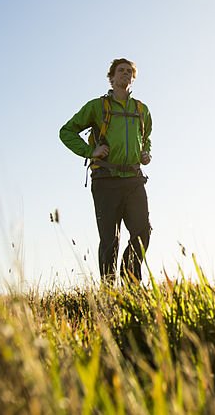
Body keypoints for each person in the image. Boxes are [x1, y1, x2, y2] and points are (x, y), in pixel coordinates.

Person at [61, 58, 153, 284]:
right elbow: (67, 132)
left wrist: (145, 153)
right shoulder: (97, 107)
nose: (125, 74)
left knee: (143, 231)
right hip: (105, 179)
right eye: (120, 71)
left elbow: (146, 138)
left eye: (129, 71)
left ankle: (130, 280)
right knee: (110, 238)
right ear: (111, 78)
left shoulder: (142, 110)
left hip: (134, 179)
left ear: (133, 78)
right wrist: (90, 151)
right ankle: (109, 291)